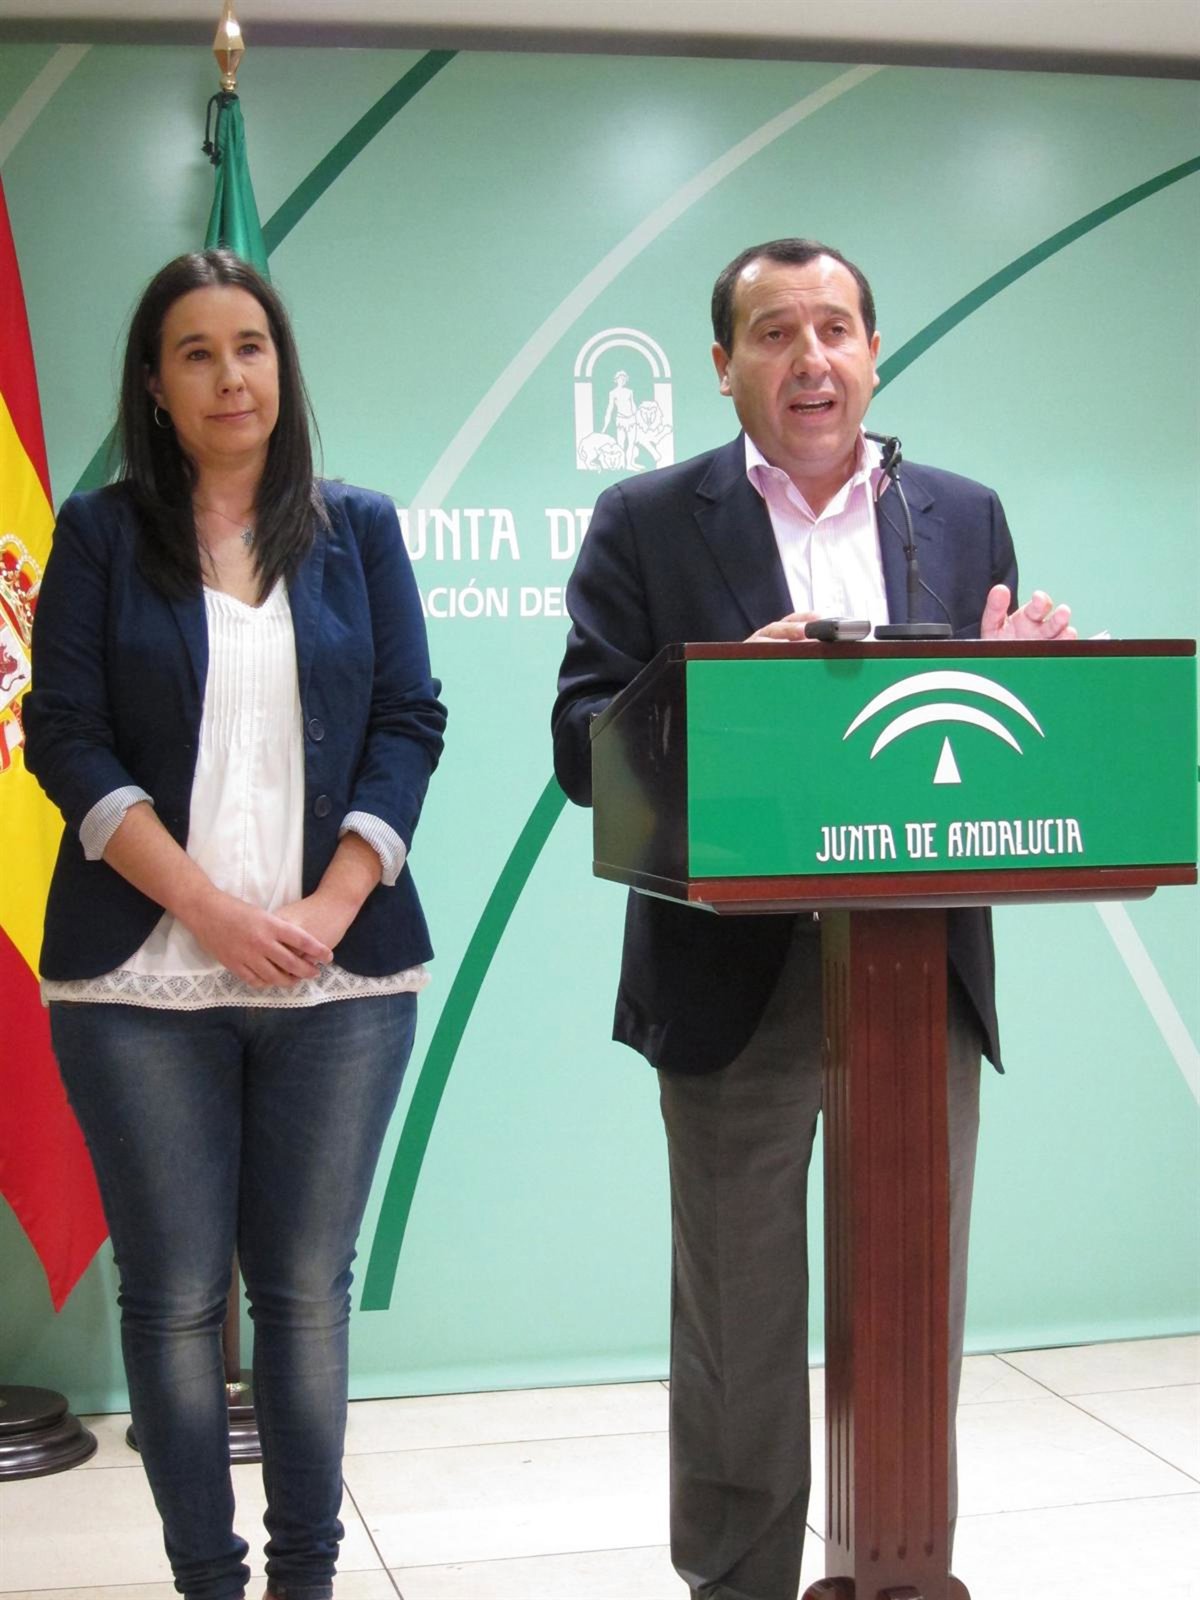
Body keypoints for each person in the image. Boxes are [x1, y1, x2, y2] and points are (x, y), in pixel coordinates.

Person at [552, 237, 1076, 1600]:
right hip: (732, 975)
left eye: (835, 328)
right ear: (723, 366)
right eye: (775, 333)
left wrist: (1028, 694)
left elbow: (985, 750)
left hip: (917, 970)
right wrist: (718, 686)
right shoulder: (647, 519)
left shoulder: (961, 515)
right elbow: (583, 747)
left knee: (911, 1302)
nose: (810, 358)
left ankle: (900, 1568)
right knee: (739, 1319)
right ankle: (740, 1583)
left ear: (875, 354)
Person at [25, 249, 446, 1600]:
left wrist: (328, 905)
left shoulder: (357, 528)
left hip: (339, 978)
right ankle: (207, 1580)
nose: (229, 376)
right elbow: (63, 736)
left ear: (283, 366)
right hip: (140, 983)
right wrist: (208, 911)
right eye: (196, 353)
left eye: (250, 346)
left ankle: (306, 1579)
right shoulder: (100, 535)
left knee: (306, 1294)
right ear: (155, 385)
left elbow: (409, 720)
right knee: (173, 1296)